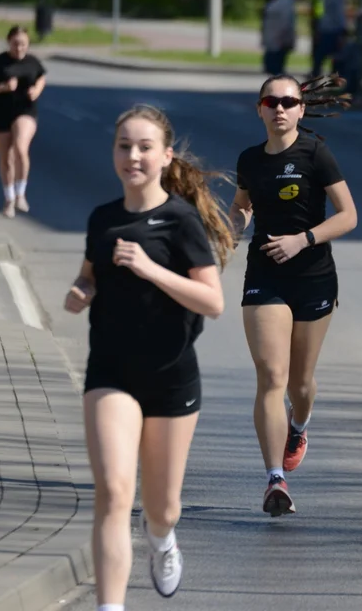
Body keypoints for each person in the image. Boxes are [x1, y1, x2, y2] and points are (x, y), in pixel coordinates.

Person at [64, 104, 234, 610]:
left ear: (165, 157)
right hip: (110, 373)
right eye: (124, 146)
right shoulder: (103, 218)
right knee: (114, 492)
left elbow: (213, 302)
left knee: (163, 508)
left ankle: (161, 539)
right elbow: (89, 274)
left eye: (144, 147)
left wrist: (150, 269)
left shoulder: (180, 221)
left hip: (170, 377)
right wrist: (81, 290)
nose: (133, 156)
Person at [229, 73, 359, 517]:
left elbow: (348, 216)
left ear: (301, 110)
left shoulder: (315, 153)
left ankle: (298, 425)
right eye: (271, 102)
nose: (279, 109)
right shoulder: (250, 159)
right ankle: (274, 480)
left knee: (300, 384)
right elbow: (242, 205)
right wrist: (231, 228)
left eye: (288, 102)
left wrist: (303, 240)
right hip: (265, 275)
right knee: (271, 375)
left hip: (313, 277)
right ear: (260, 110)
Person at [0, 26, 47, 218]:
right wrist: (3, 87)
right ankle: (9, 199)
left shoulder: (32, 62)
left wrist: (36, 90)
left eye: (23, 44)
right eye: (16, 44)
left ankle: (20, 194)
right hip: (1, 112)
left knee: (20, 148)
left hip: (25, 110)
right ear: (9, 42)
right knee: (6, 159)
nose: (19, 48)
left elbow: (41, 77)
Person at [261, 0, 296, 76]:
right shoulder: (274, 1)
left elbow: (286, 21)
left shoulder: (285, 2)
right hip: (272, 38)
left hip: (279, 39)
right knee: (270, 67)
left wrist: (283, 37)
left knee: (276, 67)